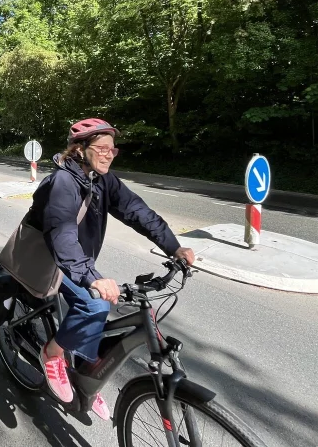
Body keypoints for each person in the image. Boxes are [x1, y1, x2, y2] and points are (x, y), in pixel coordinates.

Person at [28, 118, 196, 420]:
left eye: (112, 150)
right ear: (79, 150)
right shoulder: (63, 183)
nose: (108, 154)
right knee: (94, 303)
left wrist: (174, 247)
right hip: (50, 256)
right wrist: (92, 278)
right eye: (102, 148)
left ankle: (84, 375)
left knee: (99, 305)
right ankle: (52, 353)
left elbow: (137, 211)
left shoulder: (102, 179)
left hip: (76, 258)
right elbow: (62, 235)